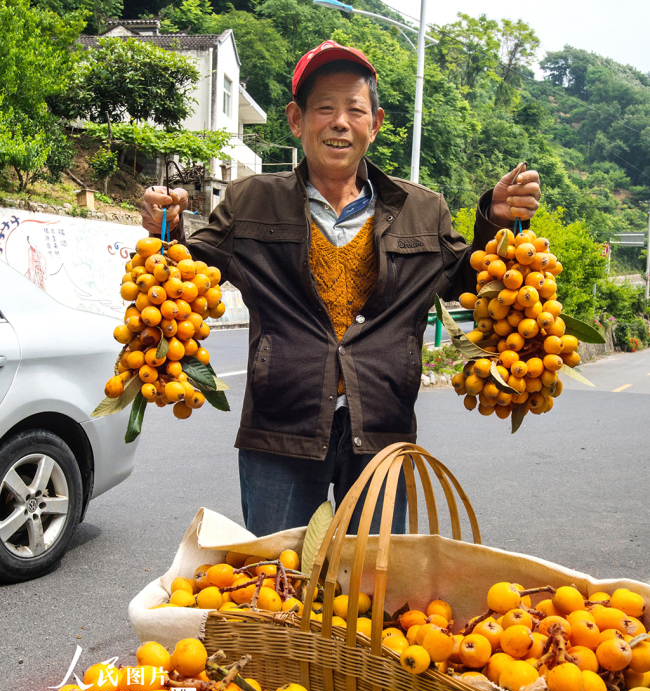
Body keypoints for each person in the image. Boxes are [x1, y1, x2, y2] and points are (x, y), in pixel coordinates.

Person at [142, 41, 541, 536]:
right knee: (279, 587)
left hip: (381, 432)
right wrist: (168, 228)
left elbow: (470, 282)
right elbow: (186, 275)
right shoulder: (250, 201)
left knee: (371, 591)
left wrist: (494, 223)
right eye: (324, 108)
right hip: (280, 433)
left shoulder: (422, 208)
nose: (339, 122)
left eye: (354, 110)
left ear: (373, 124)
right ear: (296, 119)